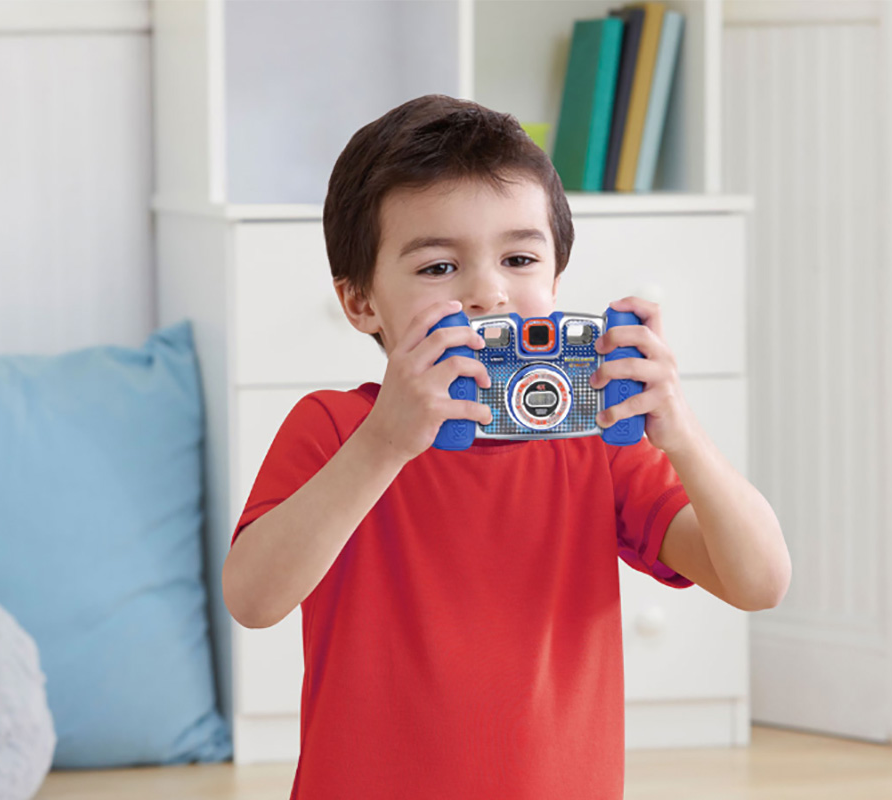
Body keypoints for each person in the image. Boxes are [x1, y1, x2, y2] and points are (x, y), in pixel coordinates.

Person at [222, 94, 790, 799]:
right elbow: (252, 598)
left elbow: (761, 581)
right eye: (437, 268)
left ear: (554, 280)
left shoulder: (596, 445)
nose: (488, 292)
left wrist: (680, 432)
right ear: (361, 302)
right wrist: (385, 444)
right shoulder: (337, 430)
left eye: (519, 258)